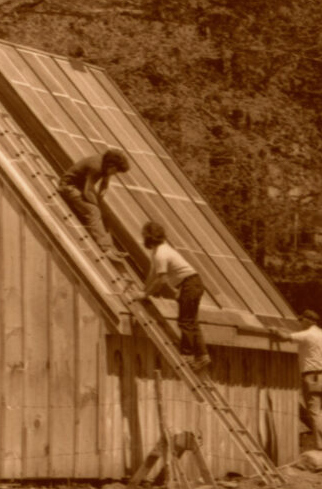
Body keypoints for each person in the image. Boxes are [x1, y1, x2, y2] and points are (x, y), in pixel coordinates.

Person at [133, 221, 212, 370]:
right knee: (191, 322)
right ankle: (202, 355)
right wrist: (143, 291)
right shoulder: (159, 251)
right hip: (191, 284)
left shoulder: (161, 254)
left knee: (185, 322)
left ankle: (188, 355)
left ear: (148, 237)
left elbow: (161, 279)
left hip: (190, 285)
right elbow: (152, 274)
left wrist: (145, 294)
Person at [58, 149, 131, 262]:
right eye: (115, 171)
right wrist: (96, 205)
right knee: (94, 211)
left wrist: (102, 193)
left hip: (80, 187)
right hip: (68, 187)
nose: (115, 174)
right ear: (111, 165)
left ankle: (110, 246)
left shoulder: (105, 163)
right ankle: (105, 249)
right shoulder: (96, 167)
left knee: (105, 213)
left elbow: (105, 182)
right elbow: (88, 191)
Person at [275, 310, 322, 451]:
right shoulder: (321, 333)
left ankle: (321, 447)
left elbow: (283, 337)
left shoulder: (307, 334)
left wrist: (274, 330)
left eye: (301, 321)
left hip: (312, 376)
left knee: (314, 413)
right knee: (321, 412)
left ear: (308, 321)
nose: (300, 323)